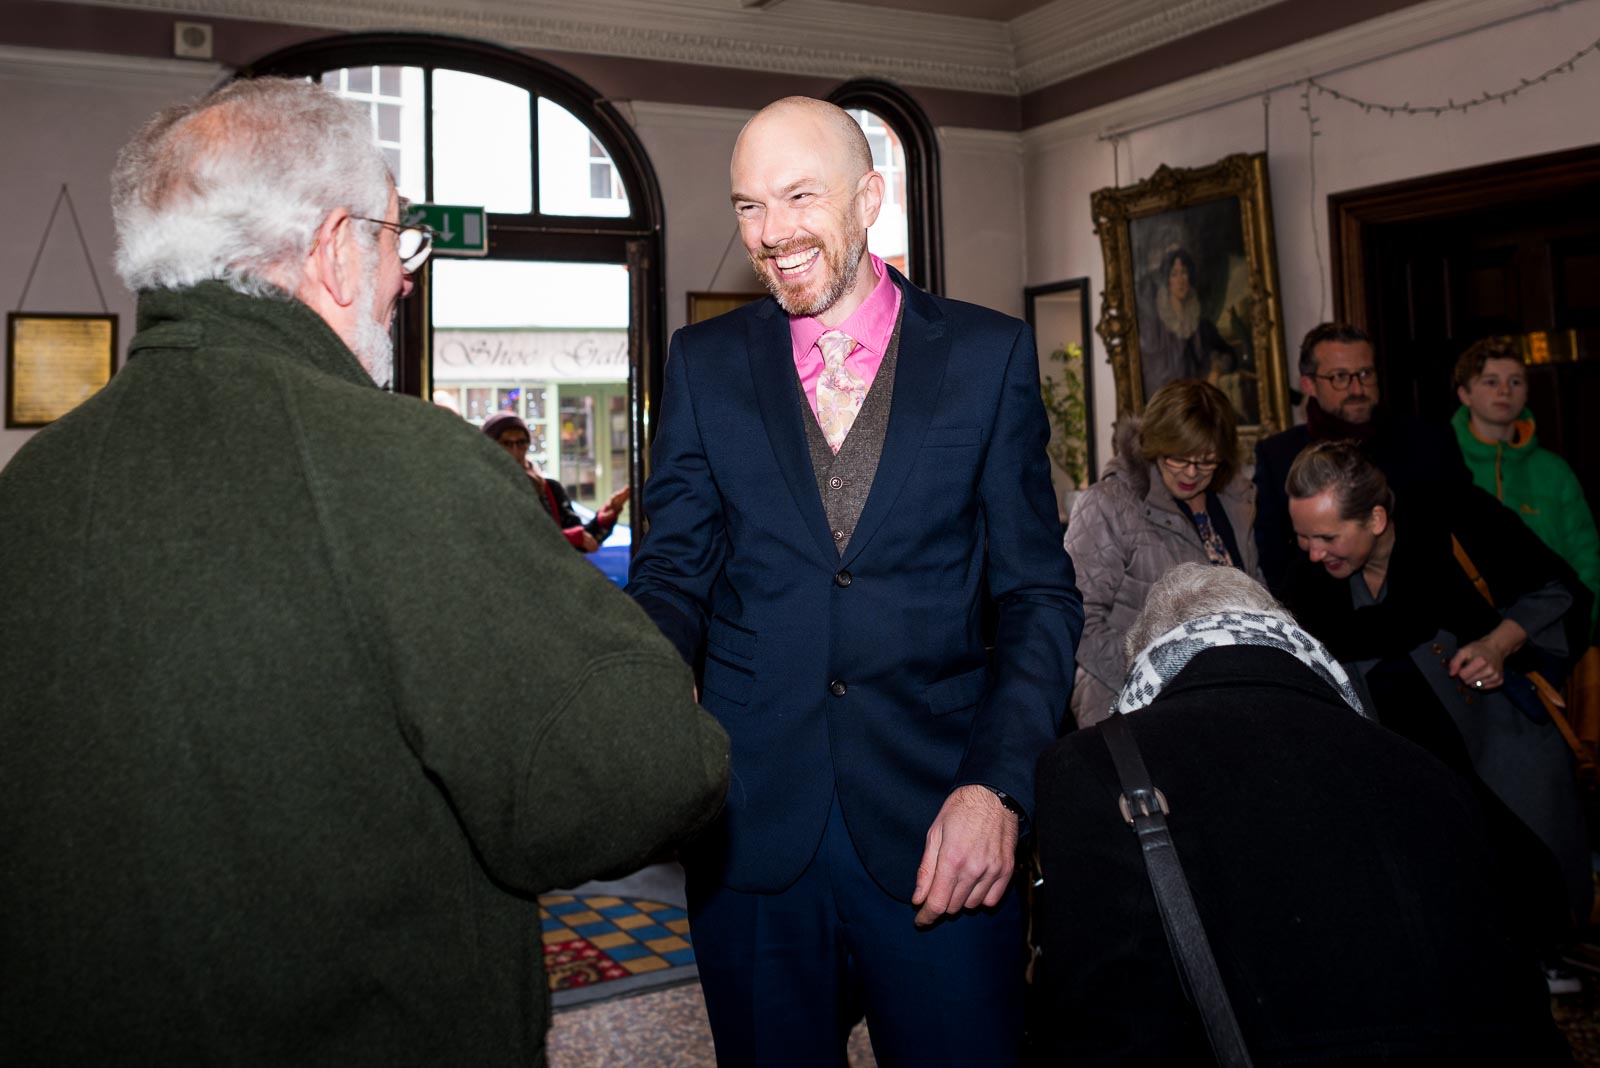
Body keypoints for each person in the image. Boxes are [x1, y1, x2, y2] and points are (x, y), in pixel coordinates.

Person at [0, 78, 730, 1064]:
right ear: (337, 246)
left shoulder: (31, 485)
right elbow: (630, 777)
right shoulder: (403, 464)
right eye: (399, 239)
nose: (404, 276)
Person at [628, 96, 1082, 1067]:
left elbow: (1036, 596)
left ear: (869, 197)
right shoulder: (704, 365)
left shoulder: (986, 356)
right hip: (750, 831)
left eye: (799, 196)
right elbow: (674, 570)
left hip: (941, 823)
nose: (772, 233)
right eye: (749, 206)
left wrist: (997, 790)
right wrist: (646, 688)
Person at [1032, 563, 1573, 1067]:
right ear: (1292, 644)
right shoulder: (1425, 766)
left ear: (1147, 658)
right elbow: (1518, 950)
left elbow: (1100, 1016)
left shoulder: (1092, 767)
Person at [1284, 441, 1593, 927]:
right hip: (1405, 771)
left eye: (1326, 537)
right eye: (1303, 537)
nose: (1314, 552)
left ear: (1377, 520)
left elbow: (1560, 592)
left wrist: (1496, 645)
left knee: (1530, 884)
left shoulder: (1454, 519)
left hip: (1496, 745)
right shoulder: (1311, 575)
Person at [1063, 378, 1260, 726]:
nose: (1191, 472)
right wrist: (1157, 677)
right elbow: (1076, 618)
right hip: (1126, 703)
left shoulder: (1235, 501)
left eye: (1206, 460)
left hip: (1223, 701)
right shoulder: (1110, 504)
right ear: (1154, 444)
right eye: (1178, 457)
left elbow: (1258, 599)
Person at [1253, 322, 1469, 593]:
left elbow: (1467, 529)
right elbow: (1273, 555)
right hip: (1321, 616)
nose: (1357, 389)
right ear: (1308, 384)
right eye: (1340, 377)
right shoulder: (1278, 455)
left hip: (1431, 605)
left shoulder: (1428, 441)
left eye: (1365, 373)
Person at [1452, 335, 1600, 640]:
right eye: (1491, 382)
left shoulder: (1554, 471)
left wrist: (1581, 624)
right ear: (1465, 393)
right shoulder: (1444, 464)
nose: (1505, 391)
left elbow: (1586, 557)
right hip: (1464, 630)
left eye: (1515, 382)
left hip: (1552, 629)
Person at [481, 410, 629, 553]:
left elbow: (583, 539)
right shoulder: (481, 489)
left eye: (521, 442)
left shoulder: (549, 489)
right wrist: (568, 538)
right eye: (506, 443)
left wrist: (606, 516)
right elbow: (498, 541)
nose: (515, 450)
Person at [1137, 246, 1235, 400]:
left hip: (1198, 404)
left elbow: (1228, 353)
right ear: (1168, 281)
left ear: (1190, 278)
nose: (1180, 280)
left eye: (1184, 273)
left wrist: (1216, 370)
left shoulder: (1202, 325)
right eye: (1174, 274)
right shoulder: (1155, 327)